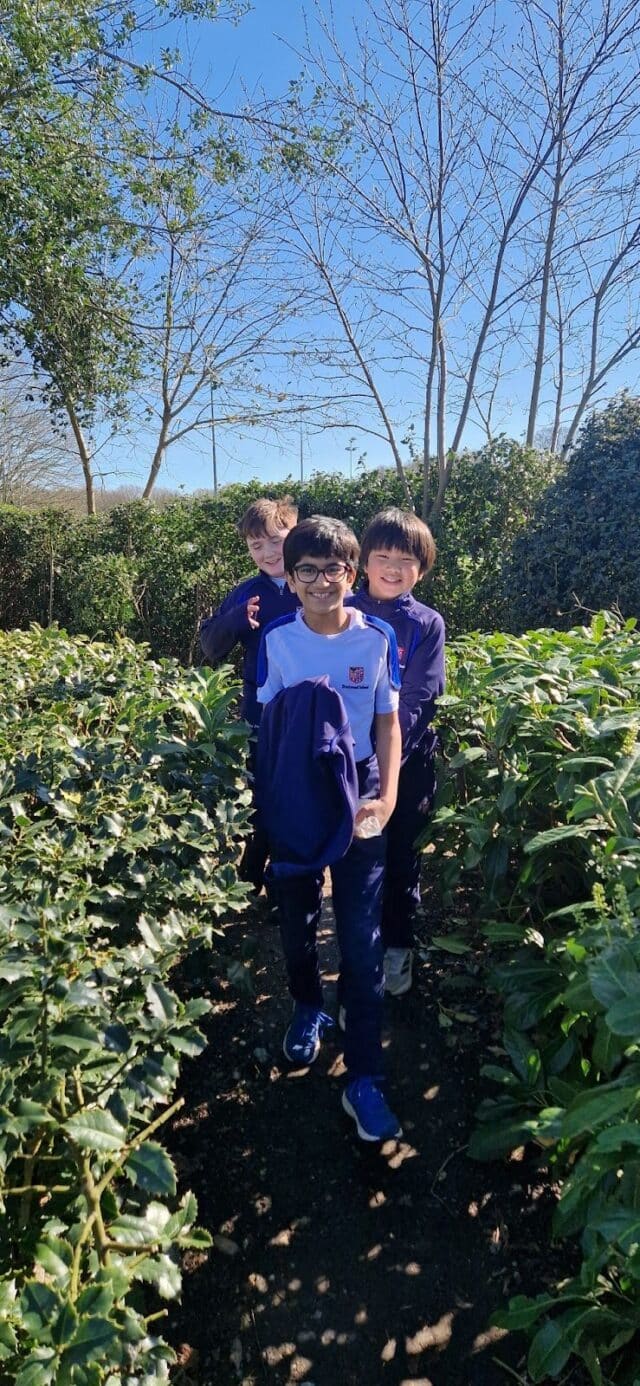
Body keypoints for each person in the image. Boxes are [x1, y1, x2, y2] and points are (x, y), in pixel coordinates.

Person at [256, 515, 403, 1142]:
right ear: (290, 579)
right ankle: (309, 1006)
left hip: (361, 795)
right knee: (295, 925)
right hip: (297, 794)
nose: (322, 581)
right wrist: (268, 813)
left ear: (352, 573)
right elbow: (270, 732)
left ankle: (364, 1076)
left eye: (333, 569)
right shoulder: (277, 641)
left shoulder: (377, 639)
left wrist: (387, 800)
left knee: (363, 942)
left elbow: (387, 725)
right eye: (307, 571)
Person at [349, 507, 445, 997]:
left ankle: (399, 947)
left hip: (408, 763)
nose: (392, 567)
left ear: (422, 569)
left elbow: (420, 697)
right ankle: (360, 954)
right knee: (360, 856)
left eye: (406, 559)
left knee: (403, 855)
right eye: (382, 555)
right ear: (363, 561)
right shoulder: (341, 611)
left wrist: (383, 749)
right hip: (349, 765)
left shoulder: (426, 624)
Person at [199, 496, 300, 891]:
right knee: (264, 788)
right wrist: (235, 621)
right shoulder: (246, 592)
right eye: (256, 546)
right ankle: (258, 871)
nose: (267, 552)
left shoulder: (315, 579)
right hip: (261, 710)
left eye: (275, 540)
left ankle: (280, 878)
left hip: (313, 707)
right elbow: (210, 646)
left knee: (300, 791)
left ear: (294, 533)